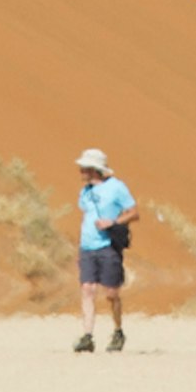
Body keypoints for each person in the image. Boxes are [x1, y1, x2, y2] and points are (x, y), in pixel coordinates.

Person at [72, 146, 134, 353]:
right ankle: (87, 336)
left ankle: (118, 331)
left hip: (108, 246)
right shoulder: (85, 192)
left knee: (111, 293)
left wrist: (113, 221)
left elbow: (133, 213)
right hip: (87, 247)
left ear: (95, 169)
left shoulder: (117, 187)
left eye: (85, 168)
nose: (81, 171)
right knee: (87, 289)